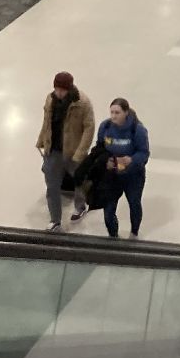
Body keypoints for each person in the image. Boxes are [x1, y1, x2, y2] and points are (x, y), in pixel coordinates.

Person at [79, 97, 149, 238]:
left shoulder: (138, 130)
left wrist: (131, 160)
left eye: (117, 113)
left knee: (134, 203)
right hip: (112, 176)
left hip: (133, 176)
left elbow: (144, 153)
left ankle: (134, 232)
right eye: (111, 112)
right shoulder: (105, 127)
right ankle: (113, 236)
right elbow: (99, 148)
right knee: (108, 210)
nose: (113, 116)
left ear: (126, 113)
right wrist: (105, 161)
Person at [35, 71, 95, 232]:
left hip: (73, 152)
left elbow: (89, 128)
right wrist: (41, 140)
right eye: (56, 89)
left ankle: (80, 206)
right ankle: (55, 220)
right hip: (53, 150)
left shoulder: (82, 103)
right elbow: (47, 122)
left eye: (62, 90)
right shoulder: (50, 99)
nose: (59, 93)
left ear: (69, 89)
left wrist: (81, 152)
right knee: (52, 186)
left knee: (78, 181)